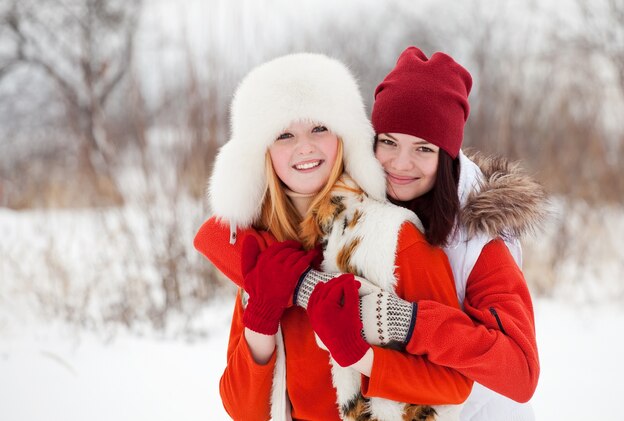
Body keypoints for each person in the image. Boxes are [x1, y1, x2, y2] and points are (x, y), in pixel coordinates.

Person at [194, 52, 472, 420]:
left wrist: (360, 356)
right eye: (284, 134)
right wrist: (260, 321)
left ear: (345, 138)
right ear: (263, 151)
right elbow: (242, 411)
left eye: (320, 128)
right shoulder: (260, 251)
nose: (304, 146)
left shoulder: (394, 238)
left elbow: (455, 385)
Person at [361, 47, 544, 420]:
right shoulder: (359, 198)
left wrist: (411, 323)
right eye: (389, 141)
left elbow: (521, 372)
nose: (400, 163)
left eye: (423, 148)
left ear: (446, 156)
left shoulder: (481, 238)